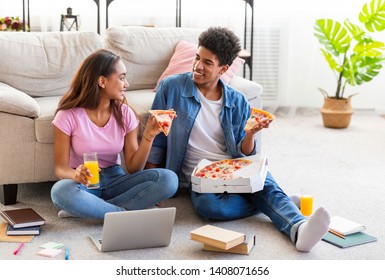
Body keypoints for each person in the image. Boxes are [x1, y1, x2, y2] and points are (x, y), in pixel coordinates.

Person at [146, 27, 330, 252]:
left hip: (233, 167)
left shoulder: (238, 101)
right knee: (209, 207)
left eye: (207, 62)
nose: (197, 66)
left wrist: (251, 133)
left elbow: (245, 154)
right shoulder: (171, 87)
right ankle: (277, 203)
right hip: (199, 177)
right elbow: (158, 140)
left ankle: (299, 228)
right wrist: (153, 184)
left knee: (261, 179)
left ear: (223, 69)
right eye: (197, 58)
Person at [51, 49, 178, 220]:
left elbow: (134, 168)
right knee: (60, 191)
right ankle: (121, 214)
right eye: (122, 77)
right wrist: (76, 175)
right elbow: (60, 168)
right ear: (102, 81)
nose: (127, 84)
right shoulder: (68, 115)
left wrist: (149, 136)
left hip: (115, 179)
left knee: (169, 179)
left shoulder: (125, 113)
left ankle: (91, 208)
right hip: (84, 182)